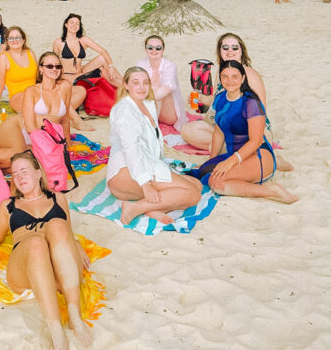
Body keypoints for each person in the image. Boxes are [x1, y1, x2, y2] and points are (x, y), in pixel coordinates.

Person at [0, 150, 93, 350]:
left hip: (58, 269)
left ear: (38, 173)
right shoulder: (9, 206)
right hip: (25, 265)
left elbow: (67, 231)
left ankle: (74, 315)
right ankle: (56, 331)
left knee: (57, 225)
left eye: (24, 171)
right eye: (14, 174)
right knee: (36, 243)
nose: (19, 177)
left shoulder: (58, 198)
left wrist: (76, 245)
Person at [187, 61, 297, 204]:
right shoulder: (220, 98)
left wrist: (230, 162)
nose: (230, 81)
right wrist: (212, 160)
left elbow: (256, 141)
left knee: (217, 182)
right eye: (225, 76)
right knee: (203, 171)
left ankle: (274, 191)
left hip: (257, 156)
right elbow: (219, 132)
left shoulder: (251, 103)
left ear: (243, 78)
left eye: (235, 76)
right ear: (220, 78)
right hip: (235, 154)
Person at [107, 67, 203, 225]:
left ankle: (151, 208)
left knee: (196, 185)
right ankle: (135, 207)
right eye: (135, 83)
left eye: (145, 83)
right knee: (192, 195)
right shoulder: (125, 109)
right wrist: (146, 185)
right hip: (124, 172)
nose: (141, 87)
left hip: (147, 163)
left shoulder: (147, 104)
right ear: (126, 85)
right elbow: (131, 149)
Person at [52, 13, 122, 130]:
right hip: (67, 76)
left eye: (77, 23)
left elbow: (103, 51)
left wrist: (110, 66)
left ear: (79, 26)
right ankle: (125, 87)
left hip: (80, 72)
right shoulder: (59, 42)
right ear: (66, 25)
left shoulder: (83, 40)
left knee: (103, 59)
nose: (74, 25)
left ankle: (124, 85)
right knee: (101, 69)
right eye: (71, 23)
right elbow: (54, 62)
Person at [135, 35, 187, 131]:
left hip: (169, 114)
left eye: (158, 48)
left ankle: (152, 128)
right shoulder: (141, 63)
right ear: (146, 49)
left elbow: (168, 88)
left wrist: (147, 96)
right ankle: (148, 121)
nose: (154, 50)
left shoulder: (169, 65)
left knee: (160, 90)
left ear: (163, 50)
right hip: (149, 108)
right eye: (150, 47)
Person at [0, 26, 37, 114]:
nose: (14, 40)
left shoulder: (30, 53)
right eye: (11, 38)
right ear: (7, 41)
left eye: (18, 37)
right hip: (18, 98)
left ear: (24, 40)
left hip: (35, 94)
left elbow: (38, 77)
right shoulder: (3, 58)